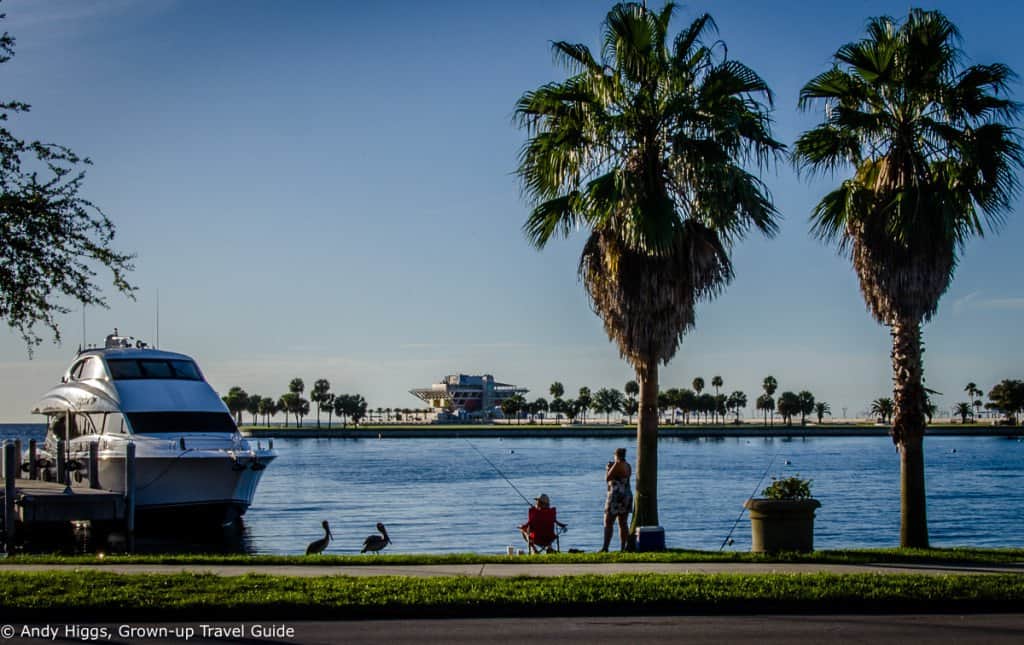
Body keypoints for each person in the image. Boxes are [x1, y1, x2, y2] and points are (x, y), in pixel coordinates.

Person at [601, 447, 633, 552]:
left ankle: (605, 547)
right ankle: (624, 547)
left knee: (608, 522)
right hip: (626, 496)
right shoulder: (628, 466)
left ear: (616, 455)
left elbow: (608, 478)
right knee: (623, 523)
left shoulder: (617, 464)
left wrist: (608, 468)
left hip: (615, 496)